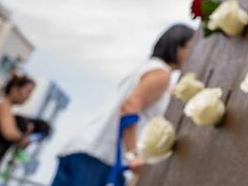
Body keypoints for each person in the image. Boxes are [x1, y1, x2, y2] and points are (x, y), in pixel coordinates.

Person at [51, 24, 195, 186]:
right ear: (176, 46)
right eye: (190, 47)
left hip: (84, 151)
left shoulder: (149, 69)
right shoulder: (161, 74)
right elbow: (130, 106)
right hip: (100, 157)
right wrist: (133, 154)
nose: (193, 54)